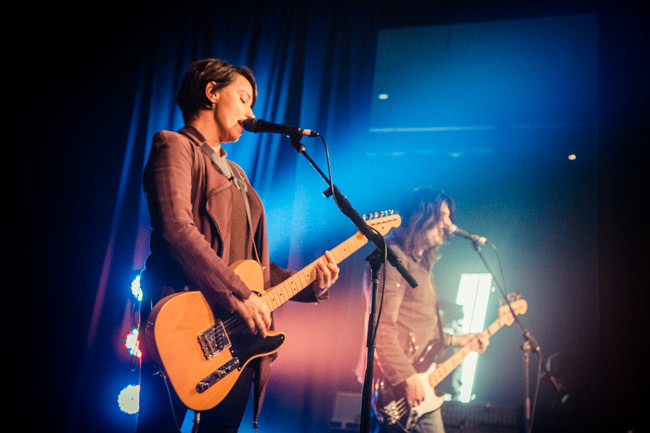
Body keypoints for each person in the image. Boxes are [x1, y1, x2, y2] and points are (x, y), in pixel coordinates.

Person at [136, 58, 340, 433]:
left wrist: (313, 283)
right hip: (182, 323)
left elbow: (255, 269)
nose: (251, 114)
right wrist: (240, 295)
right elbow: (177, 229)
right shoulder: (174, 145)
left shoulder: (240, 176)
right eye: (244, 99)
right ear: (211, 92)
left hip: (235, 335)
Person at [355, 187, 490, 433]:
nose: (449, 224)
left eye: (449, 216)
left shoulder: (421, 265)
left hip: (417, 379)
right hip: (400, 387)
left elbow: (421, 329)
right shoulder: (393, 259)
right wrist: (406, 377)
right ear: (422, 215)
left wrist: (461, 340)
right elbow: (380, 329)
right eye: (443, 215)